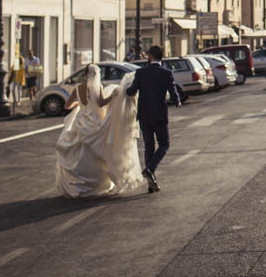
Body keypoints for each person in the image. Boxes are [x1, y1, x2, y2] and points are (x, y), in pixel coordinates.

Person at [55, 63, 141, 197]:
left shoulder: (78, 88)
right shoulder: (98, 87)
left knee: (82, 152)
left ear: (84, 75)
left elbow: (67, 106)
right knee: (99, 153)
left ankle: (84, 181)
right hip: (95, 121)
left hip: (81, 121)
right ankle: (97, 182)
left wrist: (79, 104)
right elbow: (101, 103)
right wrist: (112, 96)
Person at [125, 45, 180, 194]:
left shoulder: (141, 72)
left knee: (149, 145)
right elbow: (172, 91)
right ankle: (150, 169)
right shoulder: (167, 73)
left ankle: (151, 183)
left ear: (150, 56)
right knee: (164, 144)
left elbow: (131, 91)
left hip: (143, 115)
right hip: (159, 115)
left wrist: (124, 90)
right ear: (162, 57)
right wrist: (177, 101)